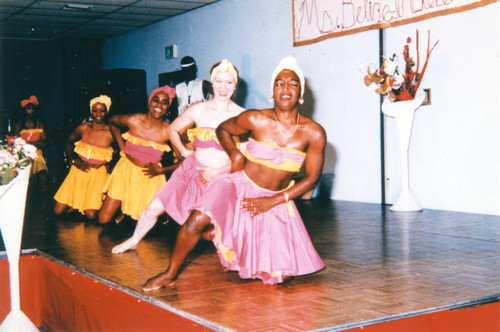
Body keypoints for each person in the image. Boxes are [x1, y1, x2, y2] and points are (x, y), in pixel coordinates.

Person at [141, 56, 325, 290]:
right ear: (272, 91)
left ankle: (227, 236)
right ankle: (170, 273)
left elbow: (312, 178)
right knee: (196, 219)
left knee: (282, 276)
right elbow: (223, 129)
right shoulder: (256, 117)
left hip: (274, 199)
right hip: (237, 184)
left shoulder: (314, 132)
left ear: (301, 92)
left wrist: (273, 201)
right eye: (279, 83)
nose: (285, 88)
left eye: (293, 83)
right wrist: (236, 155)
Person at [111, 59, 244, 254]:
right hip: (190, 172)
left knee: (212, 228)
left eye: (229, 82)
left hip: (220, 177)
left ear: (235, 85)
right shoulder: (199, 109)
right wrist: (183, 151)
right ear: (212, 83)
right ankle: (133, 240)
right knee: (153, 208)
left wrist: (217, 171)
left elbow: (247, 154)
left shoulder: (242, 115)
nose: (223, 87)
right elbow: (173, 129)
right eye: (219, 81)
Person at [98, 85, 178, 224]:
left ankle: (161, 214)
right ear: (149, 101)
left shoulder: (169, 130)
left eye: (164, 103)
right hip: (125, 171)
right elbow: (112, 122)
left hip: (149, 177)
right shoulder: (134, 120)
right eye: (156, 100)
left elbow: (185, 160)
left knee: (142, 224)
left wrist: (161, 170)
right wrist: (122, 148)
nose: (159, 105)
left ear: (168, 107)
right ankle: (123, 209)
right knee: (103, 219)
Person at [53, 95, 114, 220]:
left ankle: (88, 205)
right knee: (57, 212)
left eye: (102, 111)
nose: (98, 114)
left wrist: (109, 165)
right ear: (90, 111)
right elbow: (67, 142)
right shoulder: (84, 127)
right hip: (79, 170)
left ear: (107, 112)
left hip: (97, 173)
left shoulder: (111, 132)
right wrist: (73, 160)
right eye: (94, 110)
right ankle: (78, 205)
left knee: (91, 215)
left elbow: (122, 150)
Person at [15, 95, 49, 191]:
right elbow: (16, 142)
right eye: (28, 109)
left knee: (40, 164)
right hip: (23, 153)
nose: (31, 111)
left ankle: (44, 191)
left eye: (33, 108)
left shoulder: (40, 124)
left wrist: (28, 143)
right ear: (24, 110)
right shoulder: (19, 124)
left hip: (37, 152)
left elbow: (44, 143)